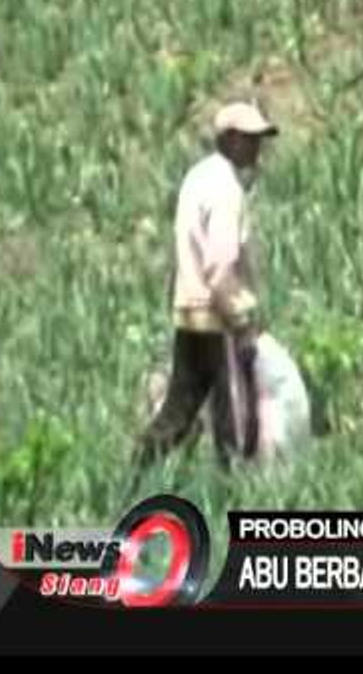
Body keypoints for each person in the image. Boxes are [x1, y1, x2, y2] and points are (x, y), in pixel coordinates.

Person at [136, 101, 279, 470]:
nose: (256, 148)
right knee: (235, 417)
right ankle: (235, 490)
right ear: (228, 139)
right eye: (249, 139)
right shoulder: (226, 189)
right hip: (218, 318)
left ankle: (134, 477)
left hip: (189, 312)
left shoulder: (198, 177)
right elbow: (219, 267)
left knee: (178, 412)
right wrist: (241, 318)